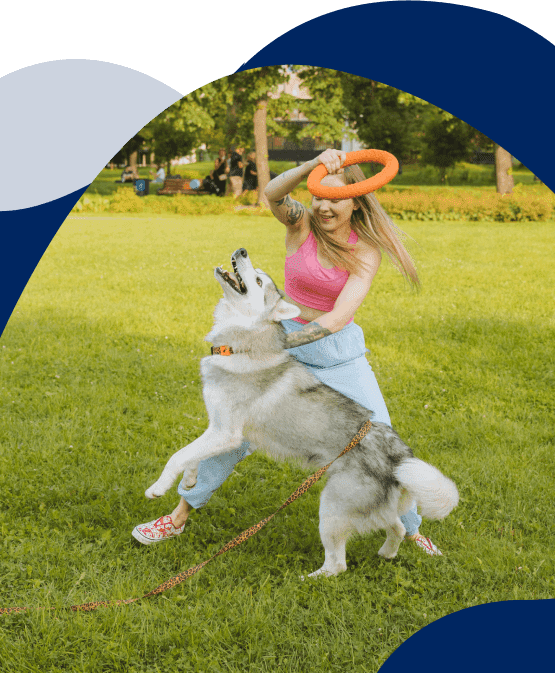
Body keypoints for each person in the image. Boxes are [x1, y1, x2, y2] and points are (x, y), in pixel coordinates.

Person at [133, 148, 442, 558]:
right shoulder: (301, 225)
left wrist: (282, 341)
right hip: (282, 346)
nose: (325, 206)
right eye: (320, 196)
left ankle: (411, 527)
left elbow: (339, 315)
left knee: (380, 436)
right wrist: (312, 165)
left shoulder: (364, 249)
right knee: (235, 433)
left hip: (336, 353)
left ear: (356, 200)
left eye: (336, 198)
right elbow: (273, 193)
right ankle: (177, 517)